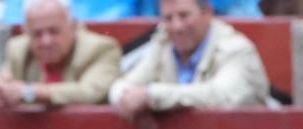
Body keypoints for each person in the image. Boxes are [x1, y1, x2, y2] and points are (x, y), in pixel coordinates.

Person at [108, 0, 268, 120]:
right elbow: (122, 86)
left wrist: (152, 97)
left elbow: (220, 96)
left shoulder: (235, 49)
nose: (177, 26)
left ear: (207, 13)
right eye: (168, 18)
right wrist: (136, 113)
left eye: (184, 16)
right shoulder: (164, 42)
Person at [0, 0, 120, 110]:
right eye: (37, 34)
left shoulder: (101, 48)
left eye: (54, 31)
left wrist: (28, 92)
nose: (46, 41)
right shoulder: (18, 48)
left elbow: (90, 92)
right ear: (27, 33)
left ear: (73, 26)